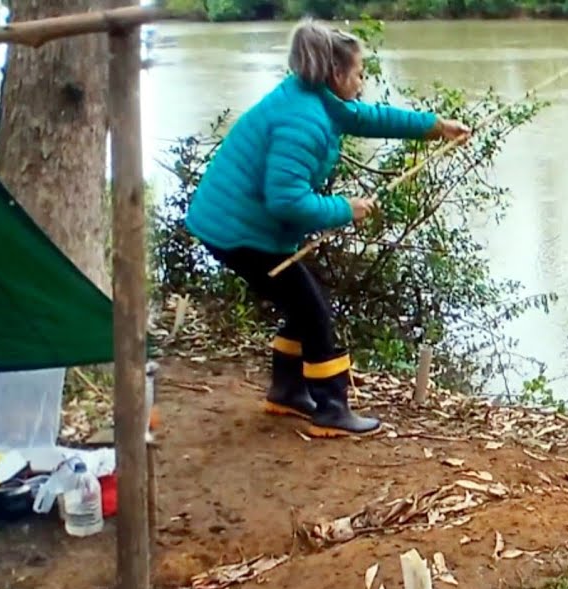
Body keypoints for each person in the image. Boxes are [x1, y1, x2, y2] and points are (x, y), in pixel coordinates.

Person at [184, 18, 472, 438]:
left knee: (305, 301)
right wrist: (344, 208)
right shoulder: (303, 119)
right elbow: (285, 199)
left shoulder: (316, 99)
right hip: (237, 230)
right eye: (358, 73)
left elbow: (368, 117)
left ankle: (286, 390)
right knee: (314, 310)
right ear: (336, 74)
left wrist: (434, 127)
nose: (362, 80)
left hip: (243, 224)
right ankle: (331, 408)